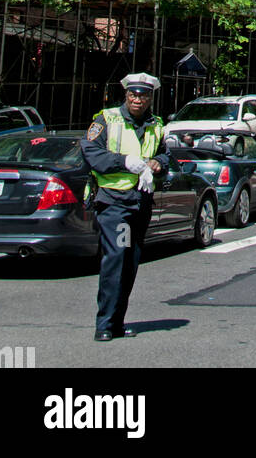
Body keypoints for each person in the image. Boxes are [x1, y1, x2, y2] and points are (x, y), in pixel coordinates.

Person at [80, 72, 168, 342]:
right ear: (126, 96)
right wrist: (125, 161)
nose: (137, 100)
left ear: (151, 98)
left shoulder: (156, 124)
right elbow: (91, 151)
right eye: (133, 95)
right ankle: (104, 323)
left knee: (130, 262)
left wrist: (157, 165)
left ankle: (117, 321)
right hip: (114, 202)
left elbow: (164, 154)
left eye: (143, 96)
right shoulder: (106, 119)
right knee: (116, 258)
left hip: (140, 201)